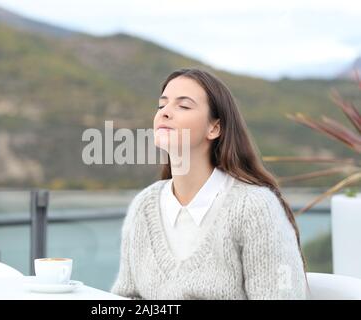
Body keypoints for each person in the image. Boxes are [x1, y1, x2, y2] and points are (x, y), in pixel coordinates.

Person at [110, 68, 310, 300]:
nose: (164, 113)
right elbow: (125, 299)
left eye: (183, 106)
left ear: (214, 128)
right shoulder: (144, 205)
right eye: (161, 105)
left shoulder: (255, 207)